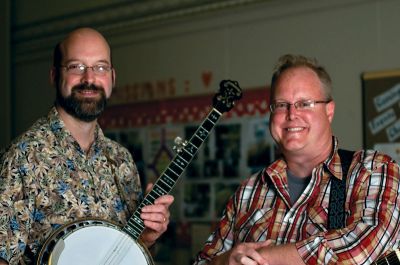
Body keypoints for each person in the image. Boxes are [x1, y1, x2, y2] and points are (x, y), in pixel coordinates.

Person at [193, 54, 400, 265]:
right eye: (282, 105)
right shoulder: (248, 192)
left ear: (329, 111)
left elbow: (364, 248)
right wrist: (226, 261)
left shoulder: (372, 169)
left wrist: (257, 259)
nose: (292, 114)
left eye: (304, 103)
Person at [0, 27, 174, 265]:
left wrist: (147, 237)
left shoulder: (121, 159)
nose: (89, 79)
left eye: (100, 67)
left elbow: (125, 254)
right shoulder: (22, 157)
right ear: (54, 76)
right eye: (76, 67)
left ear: (112, 77)